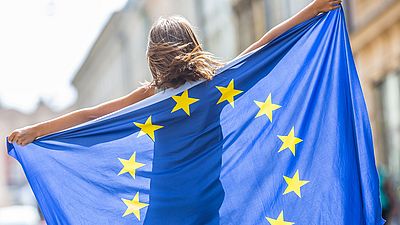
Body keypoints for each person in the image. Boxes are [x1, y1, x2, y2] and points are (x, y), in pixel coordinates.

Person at [7, 0, 341, 146]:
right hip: (208, 193)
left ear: (154, 56)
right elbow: (263, 44)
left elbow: (90, 115)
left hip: (168, 198)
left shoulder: (150, 95)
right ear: (193, 44)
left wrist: (36, 130)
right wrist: (312, 9)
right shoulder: (217, 82)